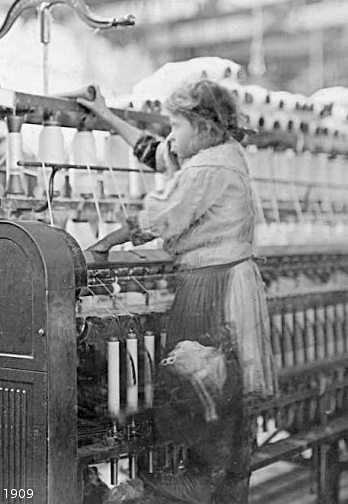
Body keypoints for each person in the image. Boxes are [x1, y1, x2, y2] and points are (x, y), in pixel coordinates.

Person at [78, 80, 277, 503]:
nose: (171, 135)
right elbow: (159, 153)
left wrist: (103, 244)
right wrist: (106, 115)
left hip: (213, 287)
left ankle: (199, 486)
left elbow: (161, 216)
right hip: (226, 283)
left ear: (203, 128)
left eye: (176, 125)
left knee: (199, 381)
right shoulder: (220, 154)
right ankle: (214, 485)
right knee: (219, 391)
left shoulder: (209, 168)